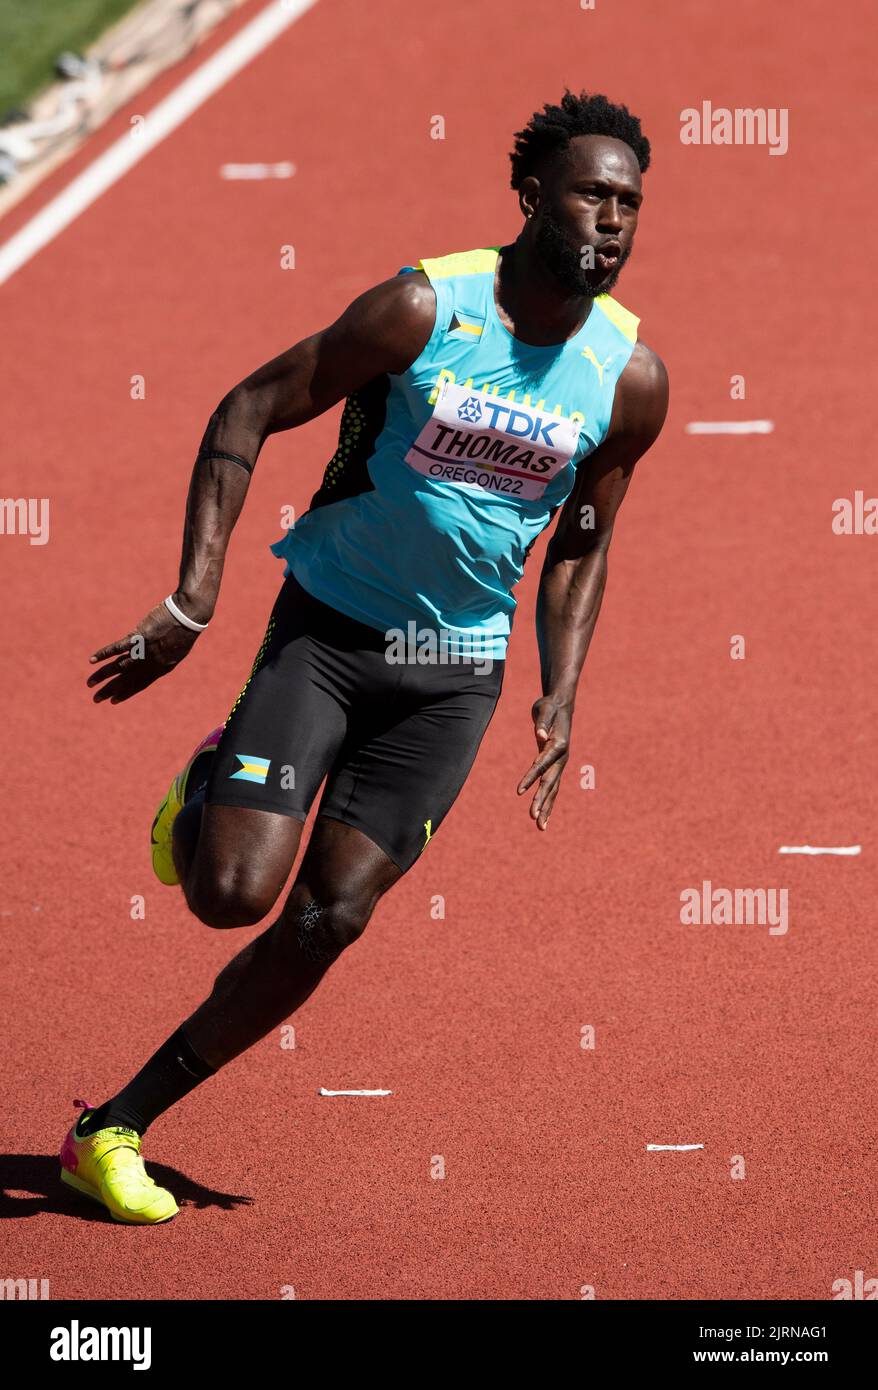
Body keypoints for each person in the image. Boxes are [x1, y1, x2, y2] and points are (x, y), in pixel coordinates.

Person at [61, 91, 669, 1223]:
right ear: (532, 195)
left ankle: (112, 1126)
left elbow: (582, 541)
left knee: (330, 917)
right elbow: (245, 410)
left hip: (454, 676)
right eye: (592, 193)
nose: (613, 220)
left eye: (630, 202)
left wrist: (560, 690)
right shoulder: (420, 310)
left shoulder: (628, 378)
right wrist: (193, 601)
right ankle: (207, 784)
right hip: (329, 634)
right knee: (231, 895)